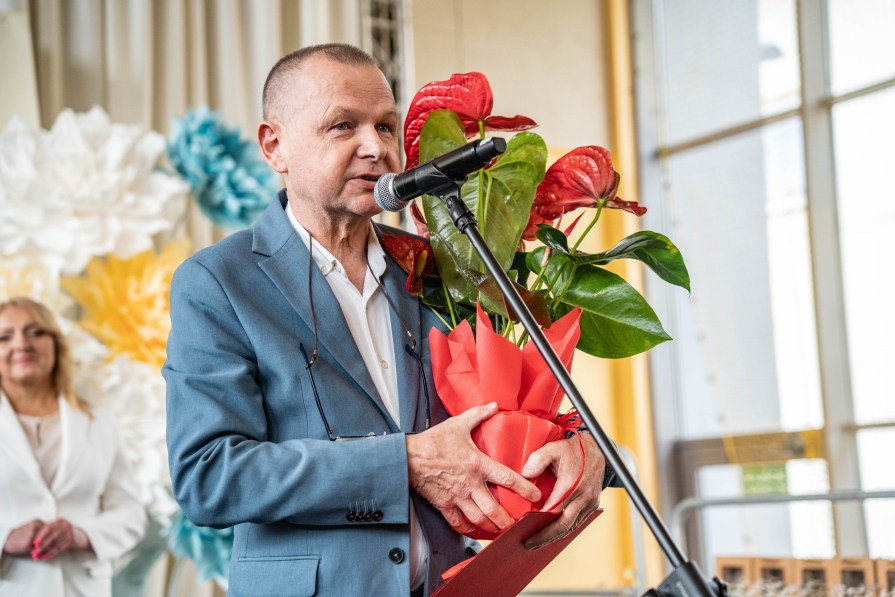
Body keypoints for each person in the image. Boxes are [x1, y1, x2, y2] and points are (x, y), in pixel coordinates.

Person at [164, 43, 611, 597]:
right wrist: (405, 462)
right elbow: (209, 476)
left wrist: (588, 449)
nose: (375, 147)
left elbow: (524, 403)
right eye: (342, 125)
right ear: (274, 146)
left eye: (384, 126)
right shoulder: (218, 281)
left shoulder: (434, 266)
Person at [0, 297, 147, 597]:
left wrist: (81, 534)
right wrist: (5, 538)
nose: (21, 344)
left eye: (35, 332)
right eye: (4, 337)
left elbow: (130, 512)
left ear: (56, 344)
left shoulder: (98, 421)